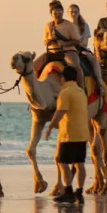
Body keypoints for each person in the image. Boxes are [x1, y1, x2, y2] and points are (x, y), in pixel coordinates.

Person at [42, 65, 89, 203]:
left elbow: (60, 112)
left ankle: (68, 191)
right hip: (82, 133)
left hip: (69, 134)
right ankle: (79, 193)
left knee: (61, 161)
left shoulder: (65, 92)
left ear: (63, 78)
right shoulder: (81, 91)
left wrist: (50, 126)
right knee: (79, 163)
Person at [34, 0, 84, 79]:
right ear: (51, 14)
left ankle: (81, 88)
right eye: (55, 13)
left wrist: (64, 43)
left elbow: (77, 40)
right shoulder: (48, 26)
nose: (58, 15)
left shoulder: (69, 25)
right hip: (51, 52)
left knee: (75, 66)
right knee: (33, 66)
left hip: (67, 51)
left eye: (60, 13)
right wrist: (49, 41)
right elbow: (44, 41)